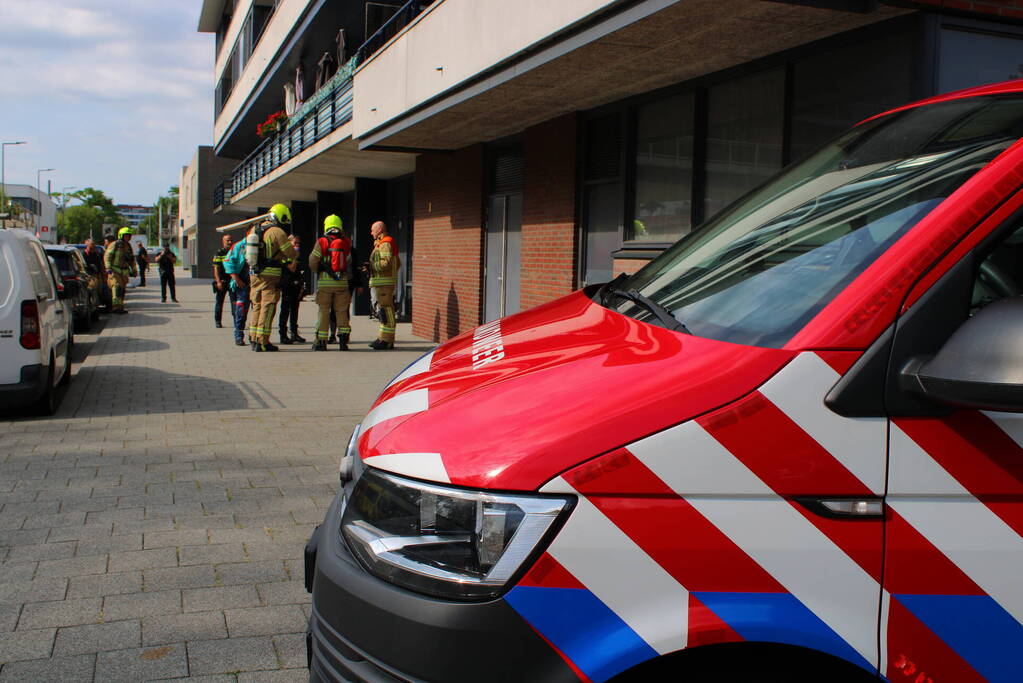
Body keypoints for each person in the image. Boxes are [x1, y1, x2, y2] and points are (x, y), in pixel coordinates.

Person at [247, 203, 297, 352]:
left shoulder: (255, 229)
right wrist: (290, 245)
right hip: (270, 276)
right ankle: (263, 342)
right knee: (267, 308)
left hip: (254, 274)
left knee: (256, 306)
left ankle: (253, 337)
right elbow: (291, 254)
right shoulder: (277, 232)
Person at [309, 215, 355, 351]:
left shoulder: (322, 241)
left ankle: (321, 342)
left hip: (325, 284)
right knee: (341, 311)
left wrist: (320, 270)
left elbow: (312, 261)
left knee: (323, 311)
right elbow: (349, 260)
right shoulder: (346, 242)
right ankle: (343, 341)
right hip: (342, 283)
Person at [366, 220, 400, 350]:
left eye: (373, 230)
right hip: (382, 283)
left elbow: (386, 263)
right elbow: (397, 263)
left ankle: (387, 340)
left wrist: (372, 266)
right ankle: (383, 338)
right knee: (383, 311)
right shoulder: (381, 243)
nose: (371, 232)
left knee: (387, 311)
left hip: (384, 283)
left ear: (379, 229)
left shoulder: (385, 243)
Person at [222, 228, 251, 346]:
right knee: (240, 311)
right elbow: (227, 261)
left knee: (248, 311)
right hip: (241, 285)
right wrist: (237, 279)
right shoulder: (239, 246)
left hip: (254, 284)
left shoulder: (260, 245)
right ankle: (238, 335)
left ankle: (253, 336)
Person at [278, 234, 308, 344]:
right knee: (285, 310)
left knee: (295, 310)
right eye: (295, 243)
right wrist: (294, 257)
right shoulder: (285, 256)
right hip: (287, 285)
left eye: (298, 243)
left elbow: (300, 272)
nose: (297, 245)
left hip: (296, 286)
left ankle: (294, 333)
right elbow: (291, 269)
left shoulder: (298, 256)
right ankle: (283, 335)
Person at [104, 227, 137, 314]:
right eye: (125, 236)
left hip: (124, 272)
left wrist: (134, 270)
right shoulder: (114, 245)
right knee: (117, 287)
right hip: (114, 271)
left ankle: (120, 306)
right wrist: (108, 268)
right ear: (121, 236)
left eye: (128, 236)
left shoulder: (128, 246)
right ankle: (116, 308)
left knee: (122, 290)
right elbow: (107, 257)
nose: (127, 237)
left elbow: (132, 259)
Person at [212, 234, 233, 328]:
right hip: (222, 281)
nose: (229, 242)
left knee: (234, 302)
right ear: (223, 241)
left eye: (230, 240)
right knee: (219, 302)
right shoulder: (219, 253)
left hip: (232, 281)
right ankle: (218, 321)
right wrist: (218, 281)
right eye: (227, 240)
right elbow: (216, 268)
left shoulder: (234, 252)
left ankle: (237, 322)